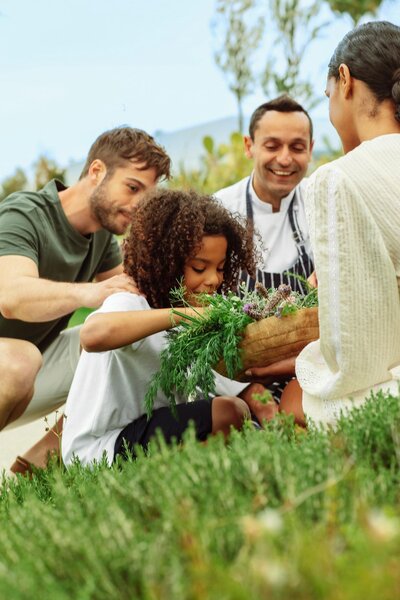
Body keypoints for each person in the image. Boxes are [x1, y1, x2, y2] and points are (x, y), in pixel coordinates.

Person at [62, 189, 277, 466]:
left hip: (144, 431)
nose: (213, 280)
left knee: (235, 412)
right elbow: (92, 335)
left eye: (221, 268)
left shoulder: (192, 319)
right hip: (99, 451)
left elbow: (236, 388)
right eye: (199, 268)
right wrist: (183, 316)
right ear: (167, 263)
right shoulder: (131, 301)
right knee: (228, 412)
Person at [0, 126, 171, 471]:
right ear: (96, 171)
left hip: (30, 369)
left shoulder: (100, 237)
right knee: (20, 361)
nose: (139, 206)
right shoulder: (25, 213)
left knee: (127, 334)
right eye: (132, 188)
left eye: (147, 196)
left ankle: (43, 458)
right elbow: (11, 297)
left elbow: (137, 295)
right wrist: (91, 292)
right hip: (13, 365)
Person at [279, 20, 400, 426]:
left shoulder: (338, 178)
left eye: (327, 93)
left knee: (297, 398)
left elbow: (355, 355)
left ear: (344, 81)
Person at [214, 95, 315, 296]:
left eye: (297, 148)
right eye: (272, 146)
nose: (285, 159)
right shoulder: (220, 208)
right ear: (248, 146)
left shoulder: (320, 201)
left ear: (310, 149)